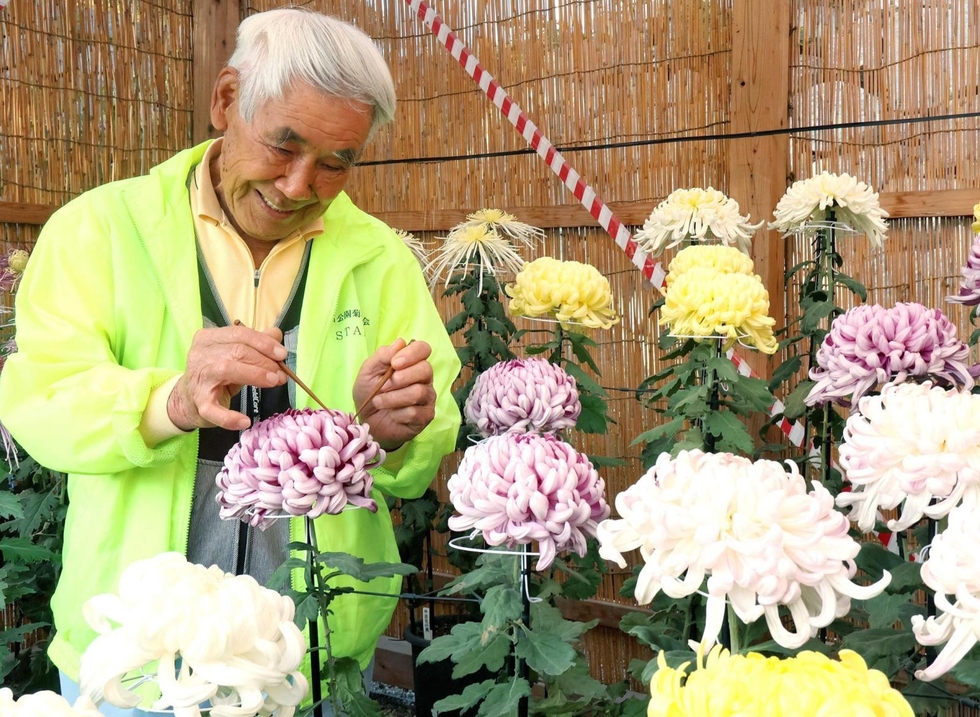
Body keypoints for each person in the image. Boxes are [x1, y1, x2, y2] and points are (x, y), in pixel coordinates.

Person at [0, 8, 460, 715]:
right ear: (225, 100)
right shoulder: (99, 231)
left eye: (335, 162)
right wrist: (171, 402)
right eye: (284, 145)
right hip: (133, 657)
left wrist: (395, 431)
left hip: (316, 655)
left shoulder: (380, 260)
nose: (299, 185)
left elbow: (430, 432)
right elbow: (42, 401)